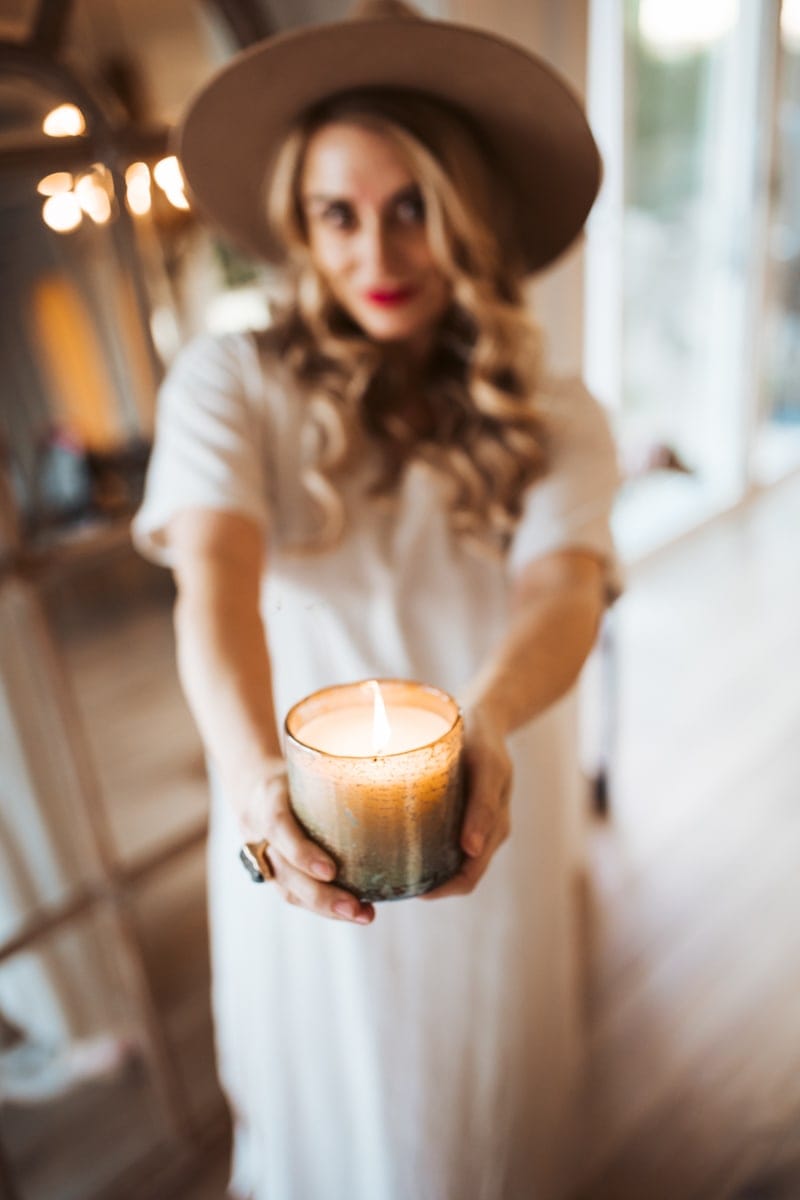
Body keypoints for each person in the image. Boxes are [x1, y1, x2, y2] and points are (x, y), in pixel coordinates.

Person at [132, 2, 622, 1197]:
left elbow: (561, 590)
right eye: (334, 215)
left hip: (487, 794)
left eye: (412, 207)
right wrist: (255, 781)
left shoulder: (554, 413)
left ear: (469, 211)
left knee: (486, 1104)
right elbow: (216, 587)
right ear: (297, 230)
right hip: (285, 804)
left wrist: (489, 722)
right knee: (326, 1106)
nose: (377, 254)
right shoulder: (228, 382)